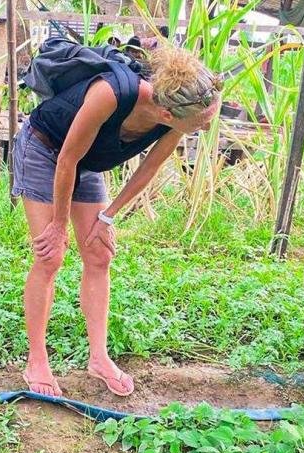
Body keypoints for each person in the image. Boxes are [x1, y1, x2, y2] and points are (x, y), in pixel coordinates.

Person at [12, 46, 221, 397]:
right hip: (46, 149)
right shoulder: (110, 93)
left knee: (99, 254)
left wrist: (107, 217)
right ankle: (37, 360)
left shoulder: (179, 118)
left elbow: (149, 167)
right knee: (51, 255)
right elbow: (66, 160)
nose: (207, 125)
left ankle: (99, 358)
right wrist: (59, 223)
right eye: (203, 122)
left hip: (87, 160)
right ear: (168, 114)